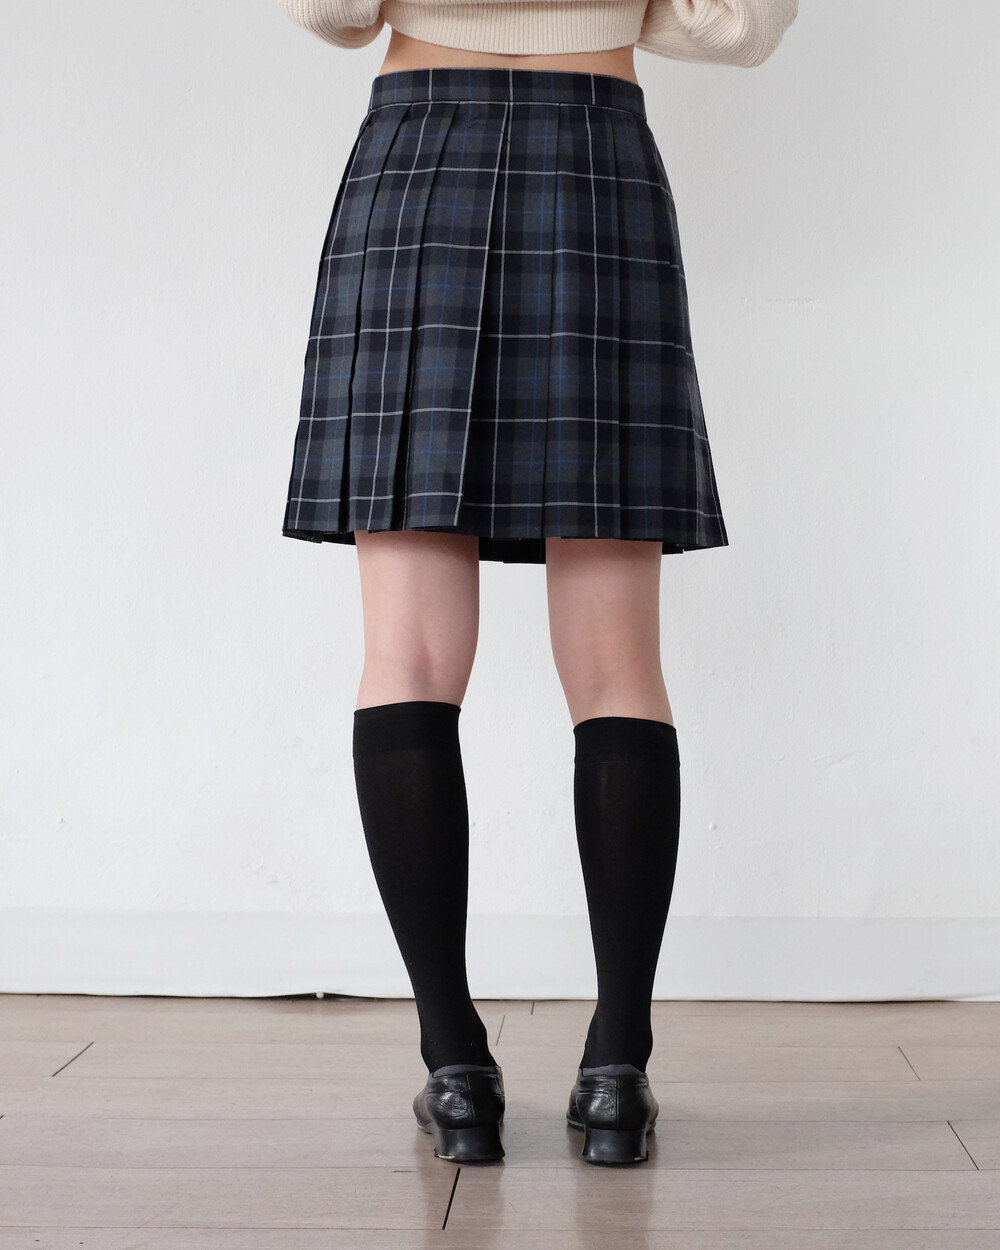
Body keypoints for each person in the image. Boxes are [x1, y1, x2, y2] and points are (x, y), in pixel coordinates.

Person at [275, 0, 799, 1166]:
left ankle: (455, 1065)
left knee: (408, 653)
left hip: (419, 165)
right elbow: (740, 26)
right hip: (595, 161)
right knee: (617, 664)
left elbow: (331, 12)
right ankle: (617, 1065)